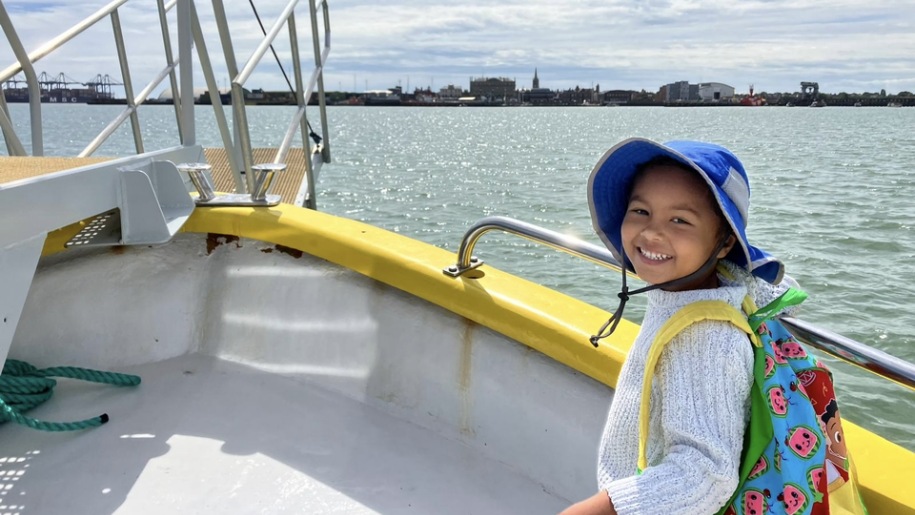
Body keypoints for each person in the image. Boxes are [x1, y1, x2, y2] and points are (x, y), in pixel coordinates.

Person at [562, 138, 798, 515]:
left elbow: (705, 475)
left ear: (723, 243)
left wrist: (598, 510)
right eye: (640, 211)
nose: (652, 233)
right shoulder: (700, 286)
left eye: (679, 220)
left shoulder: (709, 340)